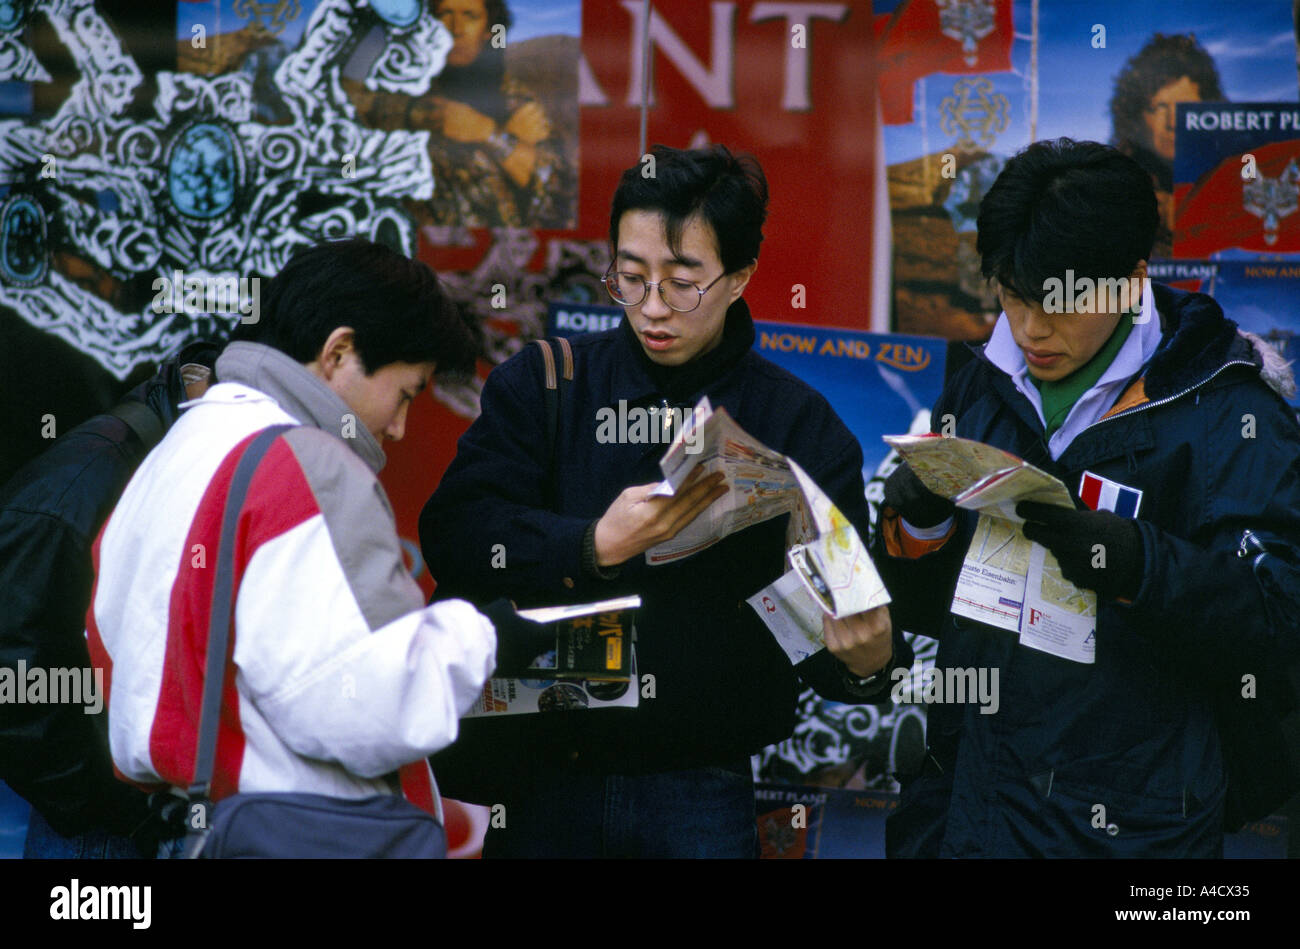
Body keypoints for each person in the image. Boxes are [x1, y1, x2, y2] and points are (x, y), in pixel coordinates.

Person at [420, 144, 907, 858]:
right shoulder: (548, 384)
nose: (652, 307)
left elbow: (832, 640)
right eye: (630, 275)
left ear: (740, 277)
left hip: (702, 788)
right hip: (546, 776)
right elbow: (456, 532)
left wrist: (867, 658)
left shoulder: (798, 426)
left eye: (683, 283)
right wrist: (592, 545)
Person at [877, 138, 1300, 857]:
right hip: (968, 810)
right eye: (1012, 293)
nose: (1031, 327)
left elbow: (1279, 614)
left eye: (1058, 302)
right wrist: (915, 527)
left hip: (1128, 829)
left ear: (1132, 279)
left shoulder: (1226, 407)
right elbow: (925, 610)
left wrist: (1141, 565)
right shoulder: (983, 380)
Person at [87, 239, 542, 853]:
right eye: (406, 392)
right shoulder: (310, 467)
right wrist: (487, 639)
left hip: (185, 830)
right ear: (339, 352)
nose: (401, 427)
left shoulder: (182, 443)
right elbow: (368, 704)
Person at [0, 340, 218, 859]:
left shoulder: (146, 460)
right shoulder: (84, 483)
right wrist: (100, 799)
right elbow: (12, 669)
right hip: (96, 831)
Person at [409, 0, 573, 228]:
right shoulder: (405, 88)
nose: (456, 28)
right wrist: (511, 143)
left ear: (488, 30)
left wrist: (487, 133)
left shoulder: (516, 98)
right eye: (445, 14)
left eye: (470, 16)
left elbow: (553, 185)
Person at [1109, 33, 1225, 256]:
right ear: (1137, 114)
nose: (1173, 122)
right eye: (1161, 107)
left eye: (1185, 107)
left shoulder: (1231, 183)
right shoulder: (1113, 190)